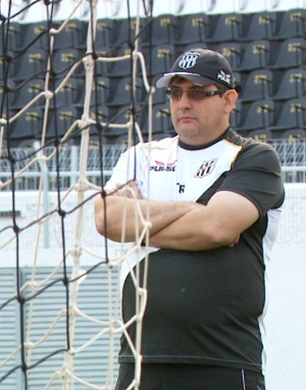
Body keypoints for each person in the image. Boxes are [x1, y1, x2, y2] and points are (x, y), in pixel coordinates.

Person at [94, 48, 285, 390]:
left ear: (229, 100)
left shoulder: (253, 157)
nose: (183, 102)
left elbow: (216, 228)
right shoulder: (141, 156)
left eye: (198, 93)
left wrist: (140, 223)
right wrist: (191, 210)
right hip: (141, 361)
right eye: (175, 93)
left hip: (223, 361)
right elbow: (106, 219)